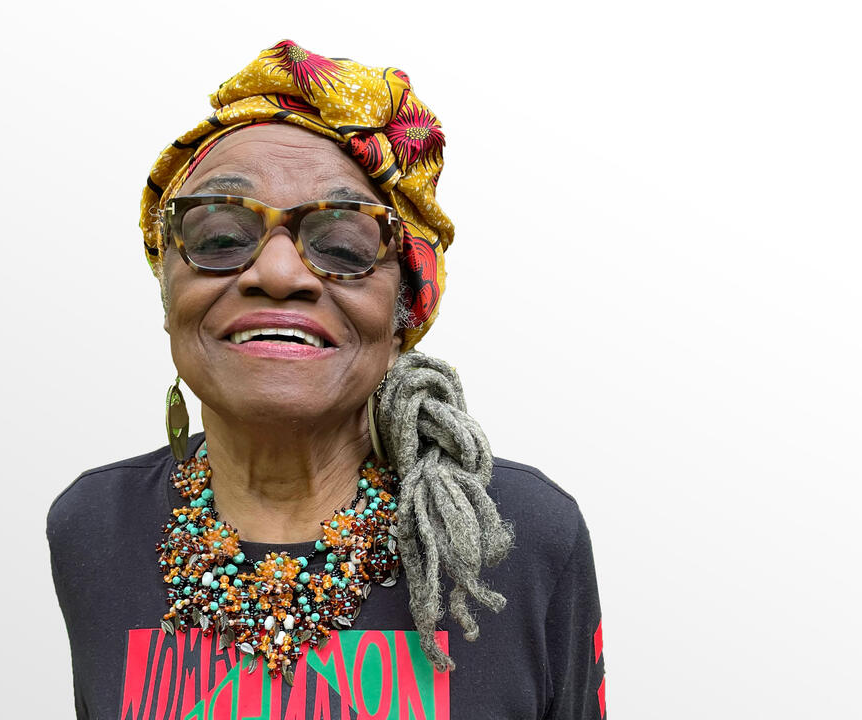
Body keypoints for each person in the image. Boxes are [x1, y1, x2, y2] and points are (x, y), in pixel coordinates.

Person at [48, 40, 606, 719]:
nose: (279, 273)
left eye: (342, 246)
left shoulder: (526, 534)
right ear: (167, 290)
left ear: (404, 312)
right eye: (220, 237)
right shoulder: (93, 528)